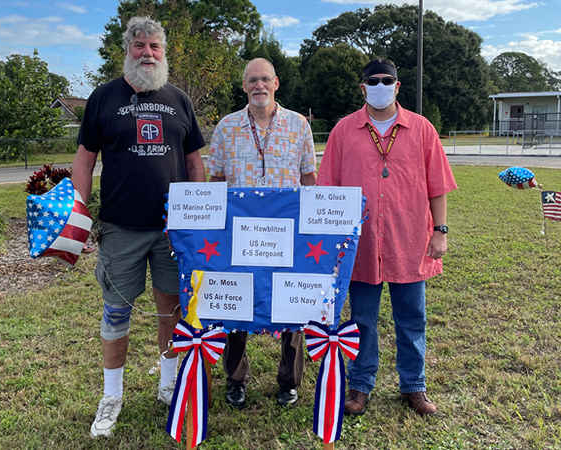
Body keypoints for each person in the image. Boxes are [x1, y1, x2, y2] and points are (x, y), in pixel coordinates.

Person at [71, 16, 206, 438]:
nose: (147, 53)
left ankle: (168, 386)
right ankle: (112, 397)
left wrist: (197, 218)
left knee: (172, 309)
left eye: (155, 47)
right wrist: (80, 216)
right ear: (126, 51)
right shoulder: (102, 98)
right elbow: (84, 161)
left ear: (164, 54)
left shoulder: (179, 99)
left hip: (172, 230)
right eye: (139, 46)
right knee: (116, 311)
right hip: (120, 227)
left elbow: (194, 163)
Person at [317, 58, 457, 417]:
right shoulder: (343, 131)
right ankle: (360, 385)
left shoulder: (423, 129)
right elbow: (326, 188)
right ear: (363, 88)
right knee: (362, 320)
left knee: (412, 318)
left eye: (387, 80)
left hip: (409, 239)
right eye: (373, 81)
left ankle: (414, 386)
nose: (380, 85)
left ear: (397, 86)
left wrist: (440, 231)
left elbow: (437, 186)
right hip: (359, 244)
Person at [207, 57, 317, 408]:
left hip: (288, 235)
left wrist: (312, 226)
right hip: (241, 235)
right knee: (236, 303)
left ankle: (289, 382)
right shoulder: (226, 127)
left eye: (264, 79)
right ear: (243, 86)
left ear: (276, 83)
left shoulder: (299, 125)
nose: (259, 86)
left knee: (290, 304)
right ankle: (236, 379)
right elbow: (216, 181)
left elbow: (310, 180)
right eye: (252, 80)